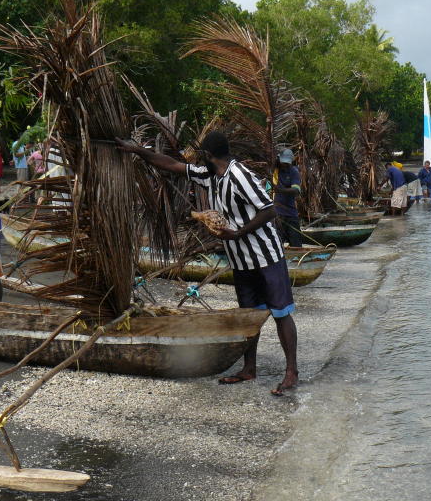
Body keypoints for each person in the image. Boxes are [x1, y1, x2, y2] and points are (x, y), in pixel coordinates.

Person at [117, 131, 299, 396]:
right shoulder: (210, 176)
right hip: (241, 261)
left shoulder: (239, 176)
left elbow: (269, 209)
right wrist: (136, 150)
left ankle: (291, 371)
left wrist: (238, 233)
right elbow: (172, 165)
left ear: (208, 155)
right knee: (248, 315)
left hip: (266, 257)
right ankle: (249, 368)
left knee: (281, 313)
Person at [270, 148, 302, 247]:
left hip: (290, 213)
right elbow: (270, 170)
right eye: (283, 162)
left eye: (287, 163)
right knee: (277, 243)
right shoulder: (276, 171)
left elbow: (296, 190)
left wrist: (281, 190)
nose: (285, 165)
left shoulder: (294, 171)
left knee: (296, 243)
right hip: (278, 214)